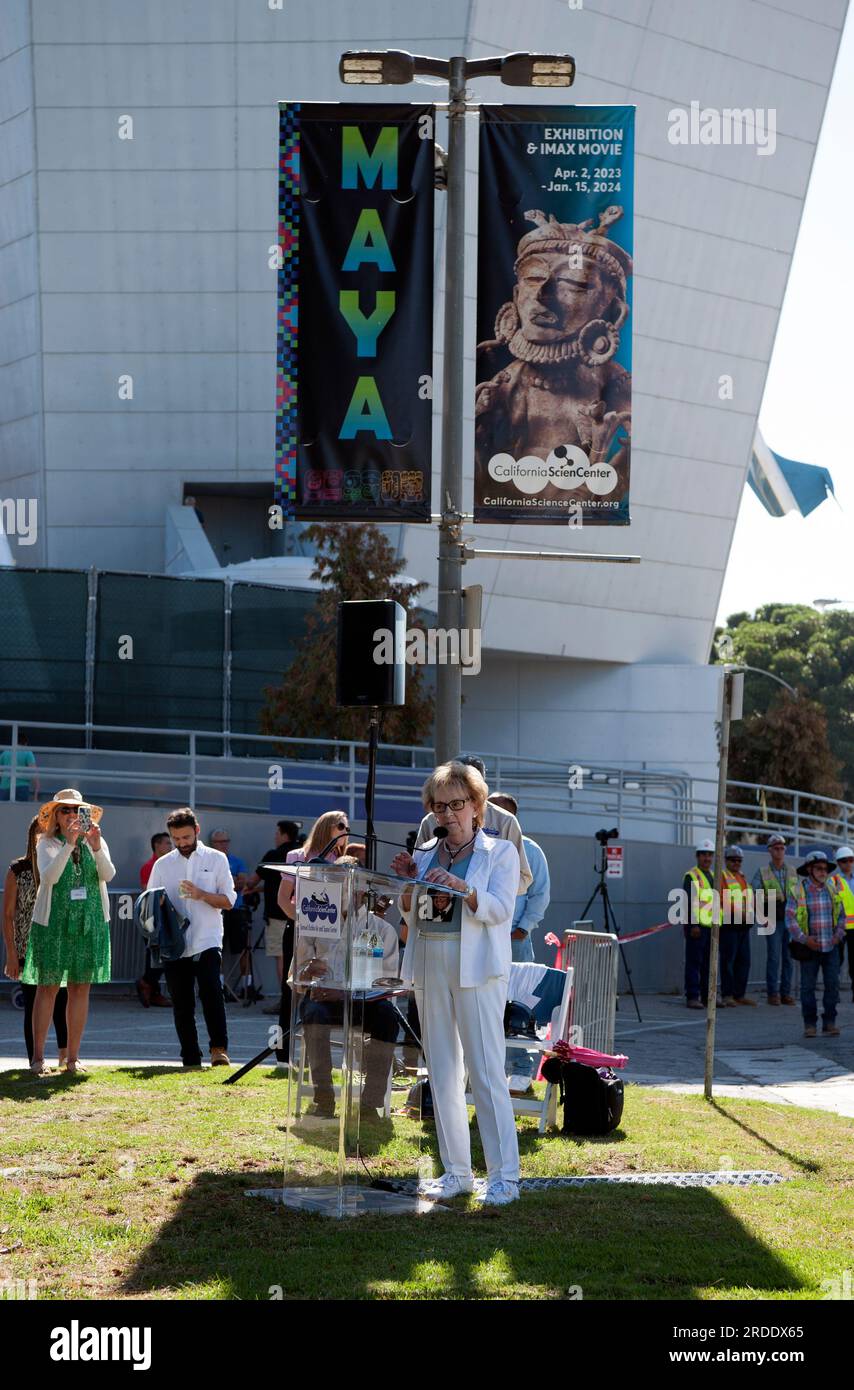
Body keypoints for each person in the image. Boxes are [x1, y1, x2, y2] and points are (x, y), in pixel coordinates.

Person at [392, 760, 521, 1207]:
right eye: (439, 806)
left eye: (456, 804)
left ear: (476, 806)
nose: (448, 814)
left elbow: (502, 909)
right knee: (442, 1074)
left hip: (478, 969)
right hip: (430, 962)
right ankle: (456, 1173)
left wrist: (464, 890)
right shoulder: (425, 852)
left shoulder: (500, 852)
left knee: (486, 1073)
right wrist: (408, 882)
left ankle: (505, 1177)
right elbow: (410, 911)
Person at [295, 856, 399, 1118]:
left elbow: (385, 983)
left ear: (363, 889)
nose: (344, 890)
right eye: (337, 883)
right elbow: (297, 974)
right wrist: (307, 973)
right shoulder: (314, 924)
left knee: (388, 1016)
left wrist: (346, 993)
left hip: (364, 1003)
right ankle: (324, 1097)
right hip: (323, 999)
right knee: (313, 1013)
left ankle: (370, 1102)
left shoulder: (381, 929)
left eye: (350, 884)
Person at [21, 789, 115, 1077]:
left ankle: (72, 1059)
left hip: (89, 922)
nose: (72, 816)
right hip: (54, 923)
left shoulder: (94, 842)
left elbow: (108, 875)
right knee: (47, 987)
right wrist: (69, 845)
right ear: (56, 817)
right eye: (65, 810)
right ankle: (38, 1058)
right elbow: (49, 877)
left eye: (77, 811)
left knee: (79, 987)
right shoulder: (46, 842)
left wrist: (96, 847)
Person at [147, 808, 236, 1068]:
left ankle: (219, 1050)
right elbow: (150, 899)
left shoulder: (217, 858)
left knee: (211, 992)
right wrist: (159, 904)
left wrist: (202, 895)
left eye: (186, 837)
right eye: (176, 839)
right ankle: (190, 1056)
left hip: (207, 938)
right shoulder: (163, 864)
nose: (182, 843)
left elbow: (229, 901)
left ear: (197, 831)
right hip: (174, 943)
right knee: (182, 1001)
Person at [275, 810, 352, 1066]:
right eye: (340, 826)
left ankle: (319, 1056)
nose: (345, 830)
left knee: (328, 988)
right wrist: (305, 922)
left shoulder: (343, 862)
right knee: (293, 989)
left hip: (333, 937)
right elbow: (283, 899)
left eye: (347, 827)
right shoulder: (297, 857)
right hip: (300, 931)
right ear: (326, 827)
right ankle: (284, 1055)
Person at [489, 792, 552, 1095]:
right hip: (485, 938)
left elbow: (540, 894)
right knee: (489, 1005)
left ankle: (521, 1075)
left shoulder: (530, 850)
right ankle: (491, 1072)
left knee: (518, 1007)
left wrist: (523, 929)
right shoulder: (478, 847)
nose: (496, 817)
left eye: (503, 812)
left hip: (515, 939)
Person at [3, 815, 68, 1068]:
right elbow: (8, 916)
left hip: (59, 942)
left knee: (61, 1000)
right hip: (27, 946)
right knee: (33, 1002)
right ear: (32, 837)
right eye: (41, 834)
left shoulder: (61, 865)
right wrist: (11, 954)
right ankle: (36, 1059)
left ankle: (65, 1056)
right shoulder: (18, 870)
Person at [415, 756, 532, 896]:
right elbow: (417, 872)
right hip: (430, 911)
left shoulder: (505, 821)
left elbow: (523, 879)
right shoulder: (431, 820)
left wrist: (476, 892)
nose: (448, 813)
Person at [786, 850, 849, 1039]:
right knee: (807, 988)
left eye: (825, 869)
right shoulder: (797, 891)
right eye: (819, 868)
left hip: (831, 947)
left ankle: (830, 1023)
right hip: (809, 948)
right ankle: (810, 1024)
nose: (823, 872)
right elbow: (790, 919)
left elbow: (842, 915)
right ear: (809, 869)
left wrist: (838, 935)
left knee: (833, 985)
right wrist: (805, 939)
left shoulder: (832, 889)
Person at [243, 820, 300, 1018]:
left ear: (284, 834)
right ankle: (301, 1000)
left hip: (278, 915)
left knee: (282, 957)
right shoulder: (302, 854)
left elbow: (253, 881)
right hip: (301, 915)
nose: (275, 836)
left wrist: (246, 885)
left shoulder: (274, 855)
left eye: (277, 833)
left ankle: (286, 1000)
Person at [751, 833, 798, 1005]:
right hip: (770, 914)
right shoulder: (762, 872)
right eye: (776, 848)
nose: (780, 851)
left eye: (782, 848)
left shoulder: (792, 870)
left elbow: (798, 896)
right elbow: (753, 894)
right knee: (773, 957)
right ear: (770, 851)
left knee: (788, 957)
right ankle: (773, 994)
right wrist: (760, 916)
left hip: (789, 916)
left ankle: (785, 993)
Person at [135, 832, 172, 1008]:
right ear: (157, 845)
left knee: (160, 955)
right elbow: (148, 893)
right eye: (167, 843)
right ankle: (147, 983)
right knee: (158, 955)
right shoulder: (149, 866)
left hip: (164, 917)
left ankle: (152, 989)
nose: (170, 846)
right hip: (153, 918)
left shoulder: (166, 866)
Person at [682, 839, 719, 1010]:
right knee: (694, 962)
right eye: (704, 854)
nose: (707, 858)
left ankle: (706, 997)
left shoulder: (713, 875)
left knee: (708, 964)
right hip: (697, 928)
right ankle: (692, 996)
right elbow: (688, 902)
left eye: (710, 855)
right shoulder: (692, 876)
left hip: (711, 927)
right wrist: (693, 925)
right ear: (697, 856)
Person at [719, 846, 755, 1007]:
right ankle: (727, 994)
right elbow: (721, 899)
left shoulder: (742, 877)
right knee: (728, 961)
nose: (736, 863)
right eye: (733, 860)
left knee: (744, 961)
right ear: (726, 861)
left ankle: (739, 994)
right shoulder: (722, 877)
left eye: (739, 860)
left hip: (743, 924)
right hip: (729, 924)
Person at [830, 847, 854, 999]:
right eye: (845, 861)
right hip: (838, 927)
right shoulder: (833, 881)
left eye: (851, 860)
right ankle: (834, 993)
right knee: (836, 962)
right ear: (838, 863)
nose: (849, 863)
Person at [0, 734, 40, 802]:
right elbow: (33, 772)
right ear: (25, 743)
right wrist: (36, 793)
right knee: (20, 811)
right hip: (22, 786)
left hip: (4, 786)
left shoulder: (5, 753)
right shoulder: (27, 752)